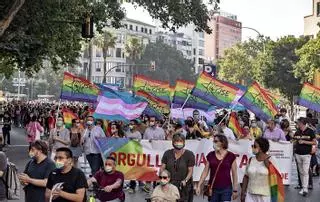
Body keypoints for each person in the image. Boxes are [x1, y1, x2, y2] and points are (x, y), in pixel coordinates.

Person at [196, 135, 238, 202]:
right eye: (213, 141)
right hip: (213, 189)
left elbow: (234, 174)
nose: (213, 143)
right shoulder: (210, 155)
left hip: (226, 189)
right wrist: (199, 185)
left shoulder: (231, 156)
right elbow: (205, 172)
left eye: (215, 141)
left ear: (222, 143)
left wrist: (235, 190)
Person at [241, 138, 280, 202]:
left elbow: (277, 178)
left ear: (261, 149)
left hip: (265, 196)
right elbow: (246, 176)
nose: (252, 147)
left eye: (255, 146)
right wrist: (243, 192)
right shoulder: (251, 159)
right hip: (250, 194)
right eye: (252, 146)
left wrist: (268, 166)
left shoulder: (271, 160)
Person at [161, 133, 195, 202]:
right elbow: (162, 168)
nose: (178, 143)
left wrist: (185, 180)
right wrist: (163, 178)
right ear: (173, 142)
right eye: (176, 141)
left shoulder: (189, 154)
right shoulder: (167, 153)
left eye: (180, 141)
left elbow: (190, 171)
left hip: (184, 185)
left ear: (184, 142)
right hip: (169, 184)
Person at [293, 117, 317, 196]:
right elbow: (294, 141)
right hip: (298, 154)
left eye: (298, 122)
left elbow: (314, 143)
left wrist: (304, 141)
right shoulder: (297, 132)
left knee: (305, 171)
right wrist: (292, 142)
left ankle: (305, 188)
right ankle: (303, 187)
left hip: (307, 154)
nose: (297, 124)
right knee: (301, 171)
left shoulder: (310, 131)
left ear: (302, 123)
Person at [125, 120, 143, 194]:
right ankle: (132, 186)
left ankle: (140, 182)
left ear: (135, 125)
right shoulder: (127, 133)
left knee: (136, 169)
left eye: (132, 124)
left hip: (136, 154)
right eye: (130, 124)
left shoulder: (138, 134)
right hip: (128, 154)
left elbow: (140, 143)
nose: (131, 125)